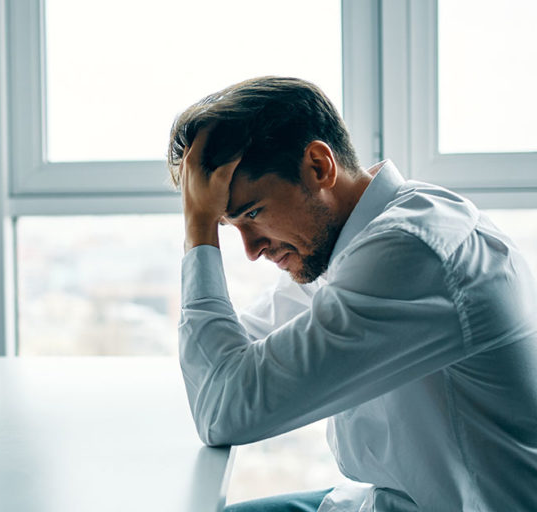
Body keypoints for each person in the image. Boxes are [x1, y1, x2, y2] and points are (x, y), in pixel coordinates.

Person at [168, 76, 537, 511]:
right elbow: (235, 352)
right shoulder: (360, 237)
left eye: (253, 213)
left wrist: (199, 231)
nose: (251, 250)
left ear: (319, 166)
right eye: (233, 227)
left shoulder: (410, 252)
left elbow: (224, 409)